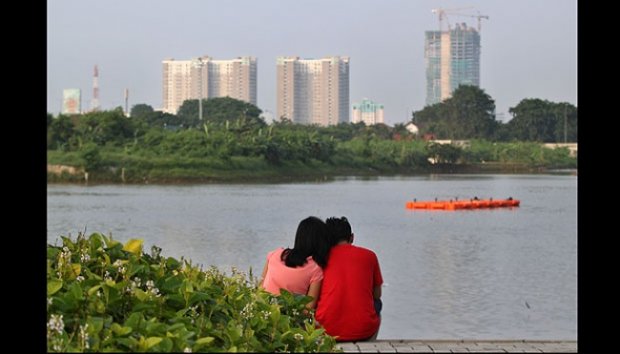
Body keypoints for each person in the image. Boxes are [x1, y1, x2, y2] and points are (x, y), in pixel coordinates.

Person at [315, 216, 384, 341]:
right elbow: (377, 294)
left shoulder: (320, 258)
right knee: (378, 303)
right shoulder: (369, 256)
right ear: (351, 237)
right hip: (364, 332)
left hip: (324, 330)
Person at [259, 216, 331, 309]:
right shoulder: (315, 268)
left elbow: (261, 286)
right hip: (287, 317)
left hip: (262, 308)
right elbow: (309, 307)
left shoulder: (275, 254)